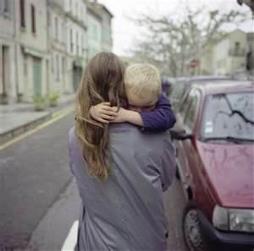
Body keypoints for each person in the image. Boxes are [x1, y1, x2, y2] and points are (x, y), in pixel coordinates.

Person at [68, 53, 176, 251]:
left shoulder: (76, 135)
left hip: (93, 243)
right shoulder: (157, 137)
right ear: (122, 86)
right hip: (146, 242)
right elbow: (166, 181)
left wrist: (88, 114)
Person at [89, 66, 176, 132]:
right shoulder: (119, 96)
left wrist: (127, 115)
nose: (139, 111)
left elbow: (169, 118)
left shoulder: (157, 95)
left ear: (157, 97)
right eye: (133, 106)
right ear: (123, 93)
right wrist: (93, 111)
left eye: (147, 107)